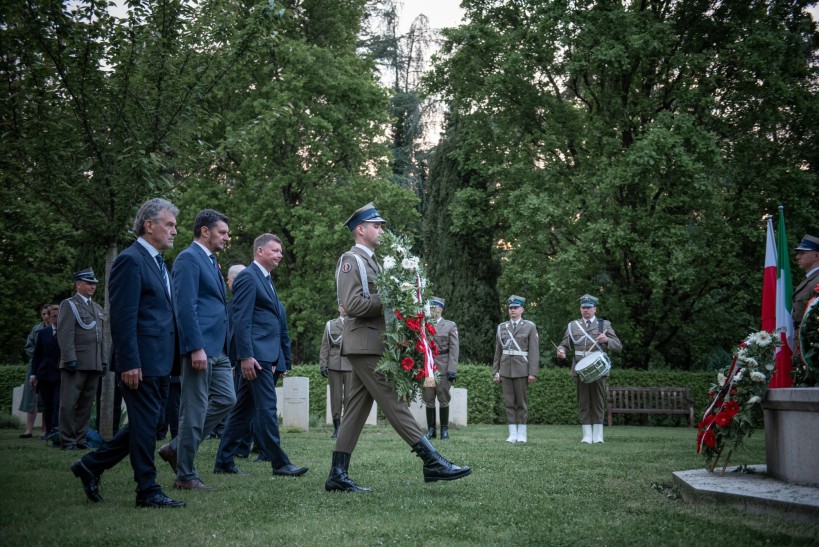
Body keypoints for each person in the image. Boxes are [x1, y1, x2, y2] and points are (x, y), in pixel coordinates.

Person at [325, 202, 471, 493]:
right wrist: (392, 297)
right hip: (364, 344)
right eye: (376, 225)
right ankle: (432, 460)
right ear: (360, 229)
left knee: (355, 410)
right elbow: (352, 305)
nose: (380, 230)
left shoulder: (373, 261)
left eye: (380, 225)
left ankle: (337, 475)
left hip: (373, 344)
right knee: (394, 401)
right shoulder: (351, 260)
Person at [69, 197, 185, 508]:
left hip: (160, 361)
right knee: (147, 425)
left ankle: (91, 465)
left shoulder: (160, 263)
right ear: (149, 226)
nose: (175, 231)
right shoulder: (130, 260)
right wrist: (130, 362)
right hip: (140, 363)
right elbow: (121, 317)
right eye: (169, 224)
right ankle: (147, 490)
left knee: (151, 423)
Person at [155, 209, 236, 490]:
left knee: (227, 399)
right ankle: (185, 476)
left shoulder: (211, 261)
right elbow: (185, 307)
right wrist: (195, 347)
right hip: (200, 348)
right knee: (193, 410)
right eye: (222, 232)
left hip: (219, 349)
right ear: (205, 231)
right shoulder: (188, 259)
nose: (226, 237)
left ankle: (177, 447)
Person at [214, 234, 307, 477]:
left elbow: (273, 320)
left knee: (242, 410)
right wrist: (245, 356)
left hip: (266, 355)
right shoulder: (248, 277)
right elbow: (241, 319)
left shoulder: (265, 279)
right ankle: (279, 463)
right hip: (256, 357)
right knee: (266, 408)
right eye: (274, 250)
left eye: (280, 251)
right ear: (260, 251)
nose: (279, 254)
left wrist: (280, 357)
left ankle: (223, 461)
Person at [556, 294, 622, 444]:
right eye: (583, 307)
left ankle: (598, 435)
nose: (586, 310)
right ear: (580, 309)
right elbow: (564, 345)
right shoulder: (573, 326)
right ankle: (586, 435)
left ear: (595, 309)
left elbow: (618, 346)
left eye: (589, 307)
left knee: (598, 401)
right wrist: (561, 352)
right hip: (579, 368)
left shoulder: (604, 325)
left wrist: (607, 340)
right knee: (583, 401)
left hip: (598, 369)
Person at [56, 268, 109, 450]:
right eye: (88, 283)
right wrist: (69, 358)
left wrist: (103, 361)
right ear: (78, 284)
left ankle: (80, 439)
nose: (92, 286)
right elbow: (65, 334)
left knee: (86, 404)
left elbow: (101, 337)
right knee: (69, 404)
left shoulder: (97, 307)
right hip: (76, 362)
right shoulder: (69, 304)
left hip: (93, 363)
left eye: (94, 283)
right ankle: (67, 440)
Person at [492, 295, 539, 444]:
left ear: (522, 309)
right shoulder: (502, 327)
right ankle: (512, 433)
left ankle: (522, 433)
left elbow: (534, 351)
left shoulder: (529, 326)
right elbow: (498, 351)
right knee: (509, 402)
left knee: (521, 403)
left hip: (522, 369)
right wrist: (496, 371)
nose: (513, 310)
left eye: (516, 308)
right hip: (506, 369)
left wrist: (532, 372)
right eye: (511, 308)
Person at [422, 297, 459, 440]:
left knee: (443, 398)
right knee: (429, 398)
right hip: (428, 369)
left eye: (435, 308)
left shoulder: (450, 326)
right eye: (430, 308)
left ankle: (444, 430)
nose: (432, 310)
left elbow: (454, 350)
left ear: (440, 309)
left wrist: (452, 369)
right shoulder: (423, 325)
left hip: (443, 368)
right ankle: (431, 430)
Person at [320, 305, 352, 439]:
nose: (344, 309)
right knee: (336, 397)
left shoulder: (354, 322)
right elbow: (325, 345)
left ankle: (348, 427)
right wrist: (323, 364)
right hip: (334, 363)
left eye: (347, 306)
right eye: (342, 306)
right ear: (339, 308)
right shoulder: (330, 324)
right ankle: (337, 428)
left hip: (351, 364)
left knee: (350, 397)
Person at [31, 304, 61, 442]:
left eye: (58, 315)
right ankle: (49, 431)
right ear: (49, 317)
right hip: (44, 374)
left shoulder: (65, 333)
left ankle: (55, 430)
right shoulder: (42, 333)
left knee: (57, 403)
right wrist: (33, 374)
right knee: (47, 404)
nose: (56, 317)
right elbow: (36, 356)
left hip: (60, 374)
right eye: (53, 315)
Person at [20, 305, 49, 439]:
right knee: (31, 398)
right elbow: (29, 347)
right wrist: (38, 357)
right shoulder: (36, 330)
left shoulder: (57, 329)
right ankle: (29, 429)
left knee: (45, 399)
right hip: (35, 366)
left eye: (47, 313)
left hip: (49, 367)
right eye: (43, 314)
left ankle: (44, 430)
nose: (46, 316)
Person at [793, 234, 819, 366]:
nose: (798, 257)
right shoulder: (809, 279)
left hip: (811, 346)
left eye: (802, 253)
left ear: (816, 256)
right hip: (802, 342)